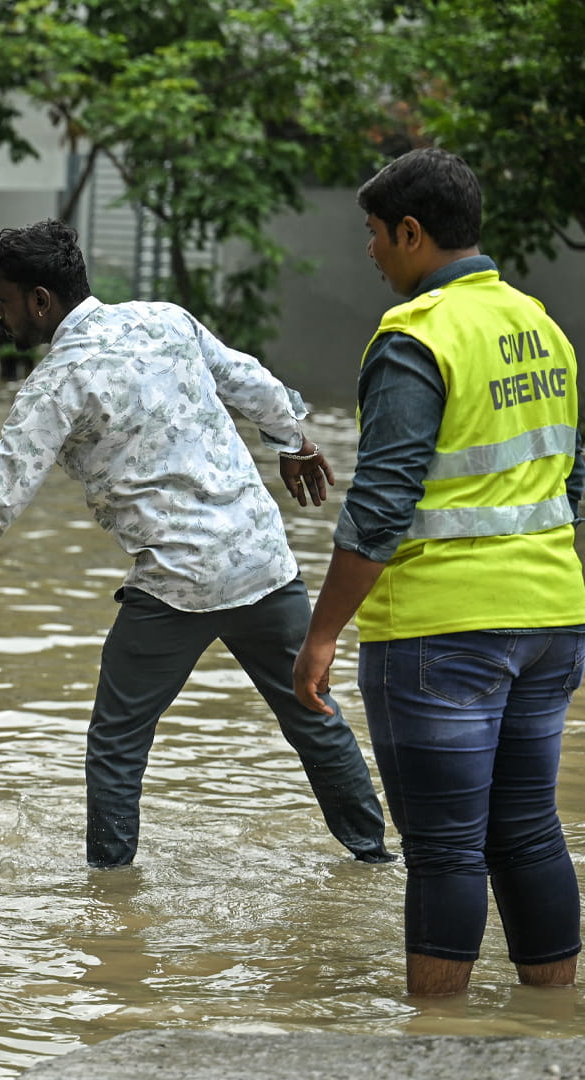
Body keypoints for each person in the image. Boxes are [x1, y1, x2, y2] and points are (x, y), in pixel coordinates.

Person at [0, 219, 392, 869]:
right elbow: (253, 382)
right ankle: (375, 859)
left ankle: (111, 898)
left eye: (2, 300)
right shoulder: (166, 320)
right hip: (261, 561)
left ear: (40, 301)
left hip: (175, 584)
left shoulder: (54, 387)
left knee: (117, 745)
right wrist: (296, 445)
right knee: (312, 713)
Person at [293, 148, 585, 996]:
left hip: (441, 633)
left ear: (412, 233)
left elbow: (380, 504)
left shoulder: (416, 337)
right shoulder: (542, 325)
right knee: (529, 831)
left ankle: (438, 1046)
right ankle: (550, 1028)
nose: (372, 252)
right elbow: (572, 479)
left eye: (376, 236)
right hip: (552, 620)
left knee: (446, 849)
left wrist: (320, 634)